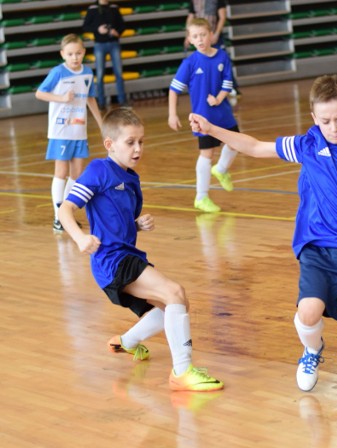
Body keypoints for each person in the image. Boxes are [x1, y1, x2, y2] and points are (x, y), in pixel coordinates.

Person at [189, 74, 337, 392]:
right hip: (317, 246)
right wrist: (211, 130)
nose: (334, 127)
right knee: (308, 312)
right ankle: (312, 349)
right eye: (326, 121)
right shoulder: (307, 145)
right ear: (313, 118)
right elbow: (253, 147)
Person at [58, 108, 223, 392]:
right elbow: (65, 210)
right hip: (111, 261)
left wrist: (137, 224)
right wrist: (80, 238)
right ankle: (182, 372)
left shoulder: (131, 178)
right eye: (130, 142)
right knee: (175, 293)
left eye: (141, 142)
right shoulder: (99, 170)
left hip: (126, 256)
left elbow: (118, 220)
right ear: (110, 144)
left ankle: (127, 342)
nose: (138, 148)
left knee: (175, 304)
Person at [169, 18, 239, 213]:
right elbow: (174, 89)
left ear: (211, 35)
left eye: (203, 35)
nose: (200, 39)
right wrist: (172, 114)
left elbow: (227, 82)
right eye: (195, 36)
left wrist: (218, 98)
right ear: (190, 39)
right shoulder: (189, 63)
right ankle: (201, 197)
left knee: (236, 143)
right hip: (203, 117)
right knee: (207, 154)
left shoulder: (222, 56)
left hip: (223, 112)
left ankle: (222, 169)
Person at [35, 33, 103, 232]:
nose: (75, 57)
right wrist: (61, 98)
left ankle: (66, 214)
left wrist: (101, 123)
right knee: (61, 173)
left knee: (77, 174)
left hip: (79, 130)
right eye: (71, 54)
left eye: (79, 53)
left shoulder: (88, 73)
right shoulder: (58, 72)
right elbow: (39, 93)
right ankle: (58, 217)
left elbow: (90, 99)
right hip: (60, 130)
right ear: (63, 54)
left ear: (84, 53)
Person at [185, 0, 241, 97]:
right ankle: (208, 89)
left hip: (215, 38)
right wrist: (187, 36)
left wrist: (216, 34)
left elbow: (222, 17)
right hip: (200, 39)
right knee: (203, 64)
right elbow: (190, 18)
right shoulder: (194, 1)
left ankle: (232, 88)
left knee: (223, 61)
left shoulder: (217, 1)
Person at [82, 0, 128, 109]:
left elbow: (122, 25)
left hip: (114, 43)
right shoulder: (92, 8)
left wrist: (117, 32)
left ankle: (122, 100)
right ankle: (101, 102)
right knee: (100, 74)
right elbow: (85, 26)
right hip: (99, 45)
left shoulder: (114, 7)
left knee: (119, 73)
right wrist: (97, 29)